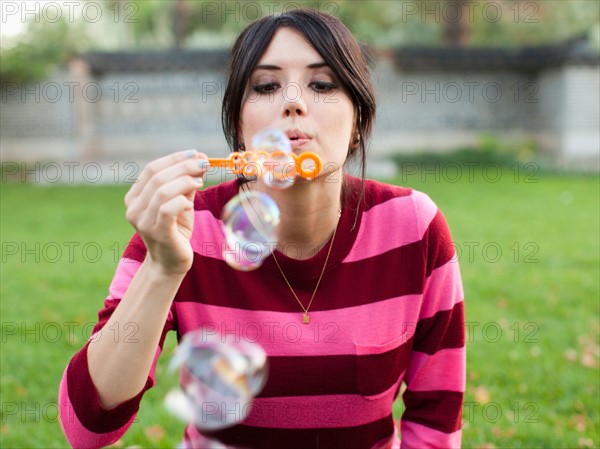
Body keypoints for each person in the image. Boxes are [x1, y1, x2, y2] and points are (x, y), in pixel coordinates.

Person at [59, 9, 465, 449]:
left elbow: (436, 415)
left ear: (358, 124)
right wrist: (161, 269)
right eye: (266, 86)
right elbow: (87, 428)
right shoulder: (180, 227)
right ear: (238, 126)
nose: (293, 101)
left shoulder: (413, 227)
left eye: (323, 84)